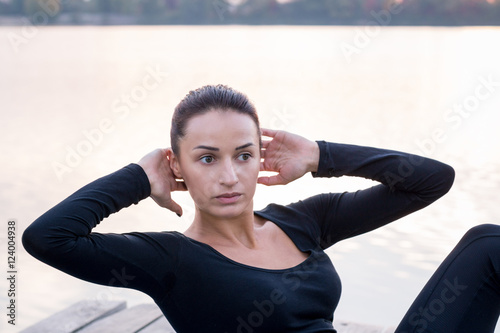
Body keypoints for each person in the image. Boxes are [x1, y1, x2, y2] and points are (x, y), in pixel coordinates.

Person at [23, 85, 499, 332]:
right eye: (207, 158)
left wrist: (322, 156)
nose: (229, 176)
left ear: (260, 159)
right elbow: (46, 238)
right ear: (178, 167)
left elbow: (430, 181)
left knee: (490, 243)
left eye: (243, 155)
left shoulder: (303, 221)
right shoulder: (168, 260)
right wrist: (136, 179)